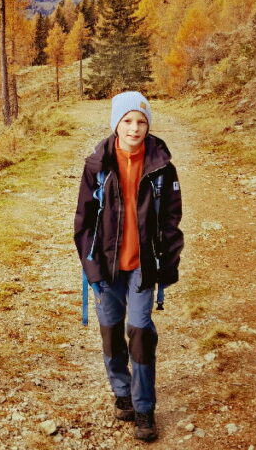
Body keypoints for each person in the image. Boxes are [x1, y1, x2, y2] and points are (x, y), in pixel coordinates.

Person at [74, 91, 184, 443]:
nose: (134, 128)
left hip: (142, 267)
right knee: (110, 329)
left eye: (141, 121)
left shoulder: (162, 167)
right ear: (116, 124)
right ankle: (121, 390)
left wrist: (168, 260)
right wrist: (91, 267)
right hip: (106, 268)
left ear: (148, 125)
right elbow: (83, 221)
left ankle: (144, 406)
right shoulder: (97, 165)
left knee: (140, 329)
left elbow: (171, 219)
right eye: (127, 121)